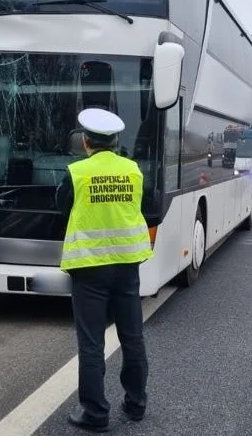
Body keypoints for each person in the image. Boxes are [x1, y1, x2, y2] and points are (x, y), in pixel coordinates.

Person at [55, 108, 153, 432]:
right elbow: (144, 205)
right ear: (115, 141)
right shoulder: (134, 170)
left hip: (90, 268)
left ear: (85, 141)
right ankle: (136, 404)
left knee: (92, 343)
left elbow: (62, 206)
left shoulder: (77, 172)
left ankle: (96, 414)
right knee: (132, 337)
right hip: (127, 265)